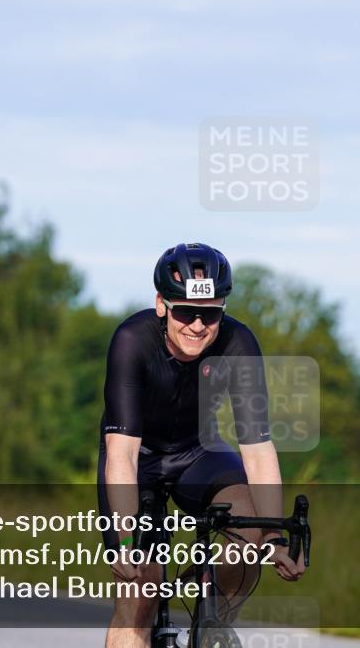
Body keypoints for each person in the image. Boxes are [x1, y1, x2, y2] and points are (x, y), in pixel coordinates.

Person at [97, 242, 305, 648]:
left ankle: (212, 623)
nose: (197, 325)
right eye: (185, 312)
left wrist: (275, 537)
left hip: (198, 454)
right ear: (161, 304)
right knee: (140, 591)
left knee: (251, 539)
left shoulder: (238, 343)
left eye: (209, 313)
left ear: (223, 309)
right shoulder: (131, 340)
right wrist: (124, 541)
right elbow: (121, 454)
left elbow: (259, 452)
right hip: (138, 462)